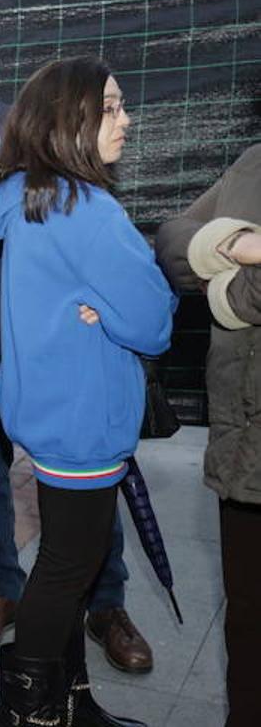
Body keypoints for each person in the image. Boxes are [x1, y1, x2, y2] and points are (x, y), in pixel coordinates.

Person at [0, 26, 151, 670]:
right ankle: (2, 590)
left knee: (88, 476)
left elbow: (70, 207)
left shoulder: (37, 123)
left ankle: (105, 601)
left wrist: (4, 179)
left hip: (62, 334)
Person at [0, 56, 174, 727]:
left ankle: (72, 705)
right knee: (69, 568)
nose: (126, 119)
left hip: (46, 409)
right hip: (84, 414)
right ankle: (27, 715)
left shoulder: (26, 197)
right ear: (72, 120)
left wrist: (100, 306)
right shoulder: (87, 212)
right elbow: (152, 323)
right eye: (112, 107)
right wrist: (113, 313)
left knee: (67, 563)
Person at [156, 144, 261, 727]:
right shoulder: (253, 162)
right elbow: (172, 239)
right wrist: (238, 245)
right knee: (245, 621)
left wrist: (222, 290)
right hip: (241, 447)